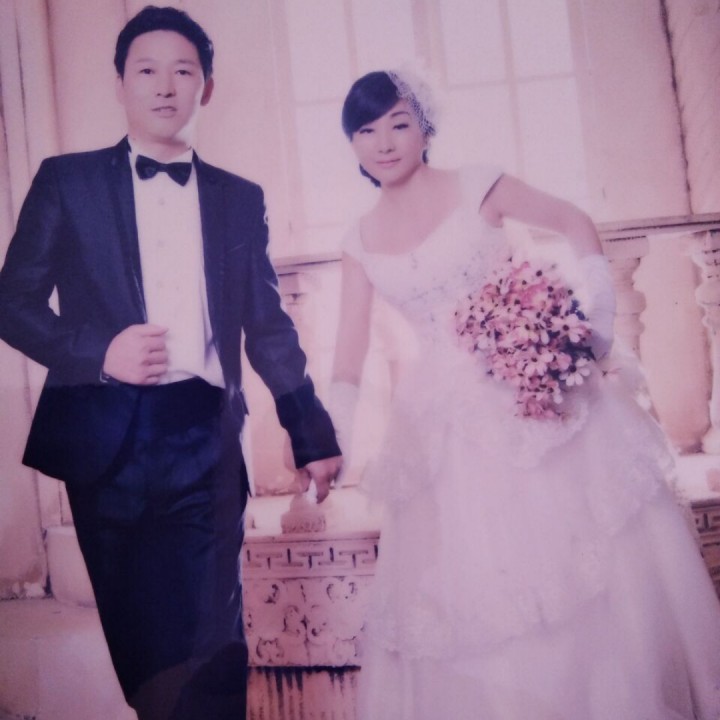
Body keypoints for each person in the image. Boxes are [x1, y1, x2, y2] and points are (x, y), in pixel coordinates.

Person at [329, 69, 720, 720]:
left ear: (424, 127)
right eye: (366, 131)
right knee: (471, 594)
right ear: (353, 145)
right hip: (439, 426)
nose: (385, 142)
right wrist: (331, 441)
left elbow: (573, 221)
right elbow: (347, 356)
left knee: (593, 576)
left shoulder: (476, 184)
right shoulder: (358, 241)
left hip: (532, 394)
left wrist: (595, 323)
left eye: (399, 123)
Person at [0, 6, 341, 720]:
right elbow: (12, 303)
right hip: (107, 448)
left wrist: (310, 432)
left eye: (183, 71)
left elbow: (267, 326)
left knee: (214, 654)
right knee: (151, 668)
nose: (164, 86)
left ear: (205, 87)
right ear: (120, 84)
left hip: (204, 438)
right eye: (146, 70)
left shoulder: (238, 199)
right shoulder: (66, 182)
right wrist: (99, 353)